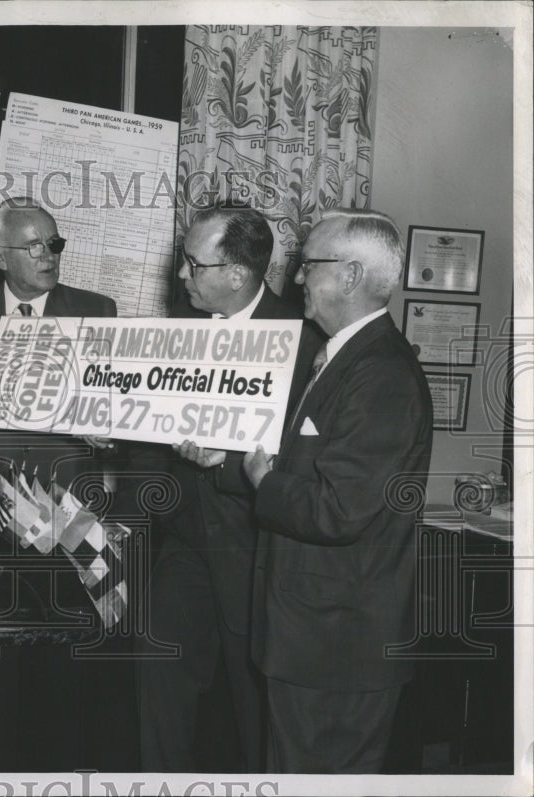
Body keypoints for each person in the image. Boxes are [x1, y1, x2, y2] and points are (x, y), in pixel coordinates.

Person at [242, 208, 433, 773]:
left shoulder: (382, 374)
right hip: (313, 642)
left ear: (349, 277)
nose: (297, 279)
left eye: (308, 266)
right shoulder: (346, 359)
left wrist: (264, 480)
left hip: (338, 649)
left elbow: (336, 510)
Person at [137, 206, 324, 772]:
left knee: (255, 710)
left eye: (193, 264)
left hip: (257, 551)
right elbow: (151, 431)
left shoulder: (306, 342)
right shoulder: (176, 330)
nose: (181, 276)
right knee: (156, 684)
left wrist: (233, 458)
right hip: (186, 544)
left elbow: (311, 459)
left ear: (238, 274)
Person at [0, 196, 117, 489]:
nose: (49, 256)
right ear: (0, 258)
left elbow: (117, 404)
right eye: (34, 247)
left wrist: (105, 431)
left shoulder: (97, 311)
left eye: (54, 244)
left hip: (71, 492)